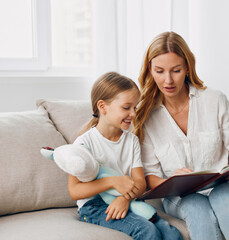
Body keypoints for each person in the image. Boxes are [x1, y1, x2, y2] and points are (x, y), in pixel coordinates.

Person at [133, 32, 229, 240]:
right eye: (160, 71)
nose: (168, 80)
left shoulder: (214, 100)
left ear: (188, 68)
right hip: (180, 197)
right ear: (150, 70)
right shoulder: (145, 117)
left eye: (176, 70)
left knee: (223, 196)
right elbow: (151, 177)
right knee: (194, 203)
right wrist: (172, 181)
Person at [68, 72, 182, 240]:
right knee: (146, 231)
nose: (133, 114)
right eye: (126, 107)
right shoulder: (84, 144)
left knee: (172, 234)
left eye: (135, 108)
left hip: (129, 199)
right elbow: (75, 191)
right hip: (94, 206)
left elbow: (140, 183)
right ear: (103, 106)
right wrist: (111, 181)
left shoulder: (132, 141)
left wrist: (124, 199)